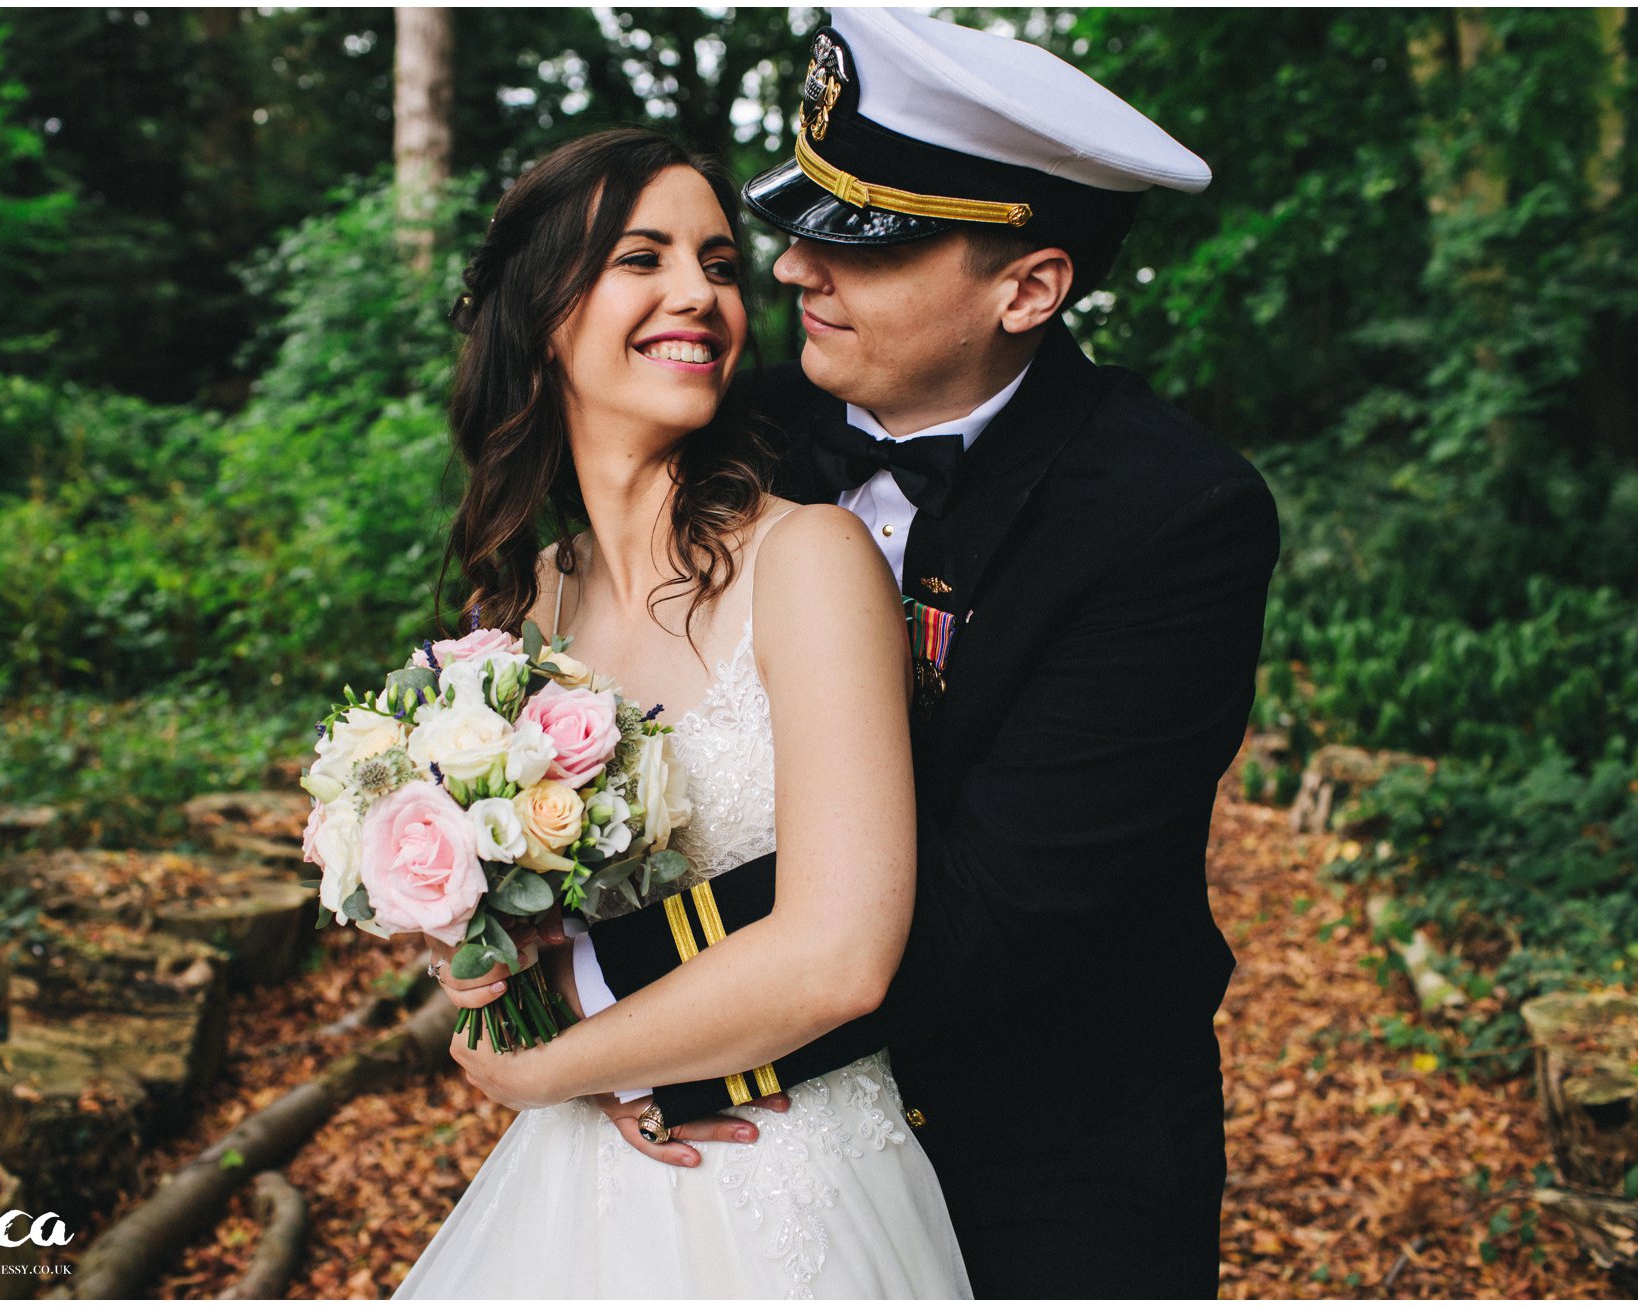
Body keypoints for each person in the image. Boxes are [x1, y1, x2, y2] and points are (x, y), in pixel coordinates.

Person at [441, 10, 1282, 1299]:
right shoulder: (746, 428)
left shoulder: (1170, 515)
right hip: (728, 1160)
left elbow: (999, 902)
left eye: (864, 241)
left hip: (1048, 1147)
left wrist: (608, 1018)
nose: (785, 274)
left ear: (1029, 288)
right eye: (799, 227)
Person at [391, 127, 972, 1298]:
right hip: (573, 1187)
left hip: (792, 1174)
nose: (697, 295)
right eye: (641, 258)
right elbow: (521, 920)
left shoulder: (809, 559)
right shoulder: (517, 607)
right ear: (541, 311)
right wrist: (472, 938)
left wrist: (546, 1070)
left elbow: (841, 953)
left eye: (716, 262)